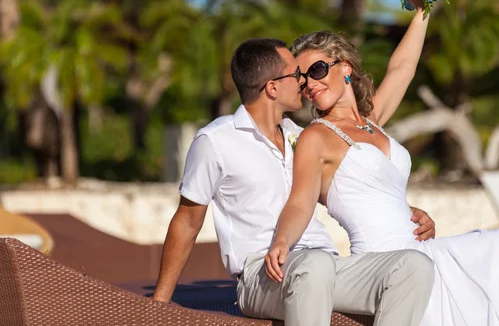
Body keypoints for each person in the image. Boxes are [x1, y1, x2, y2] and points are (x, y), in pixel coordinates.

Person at [265, 25, 499, 325]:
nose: (310, 83)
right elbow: (300, 203)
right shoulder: (316, 137)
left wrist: (423, 6)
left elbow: (402, 69)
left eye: (317, 70)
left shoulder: (372, 120)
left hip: (419, 247)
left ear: (345, 67)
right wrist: (282, 240)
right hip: (384, 263)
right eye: (302, 79)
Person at [152, 36, 438, 326]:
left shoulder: (304, 137)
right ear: (273, 87)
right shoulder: (216, 141)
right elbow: (188, 221)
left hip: (327, 265)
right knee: (314, 266)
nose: (303, 82)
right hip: (263, 274)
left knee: (413, 266)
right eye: (295, 74)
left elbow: (350, 188)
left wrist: (407, 211)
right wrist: (158, 305)